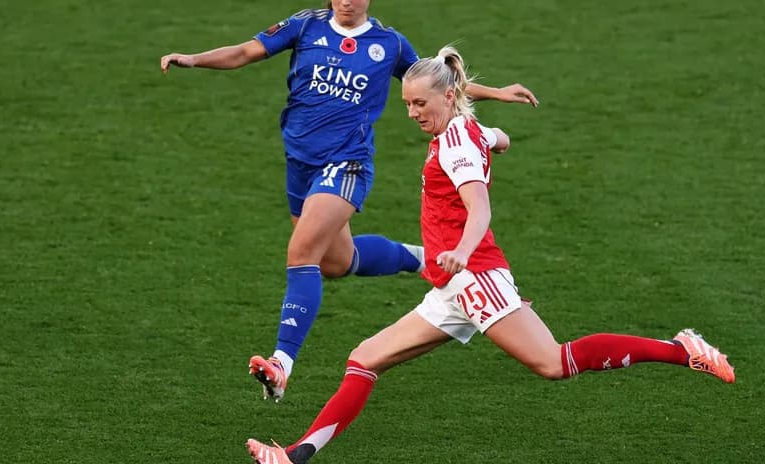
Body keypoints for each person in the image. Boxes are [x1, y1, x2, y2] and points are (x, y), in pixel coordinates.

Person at [244, 45, 735, 464]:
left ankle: (682, 349)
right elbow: (502, 138)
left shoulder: (455, 142)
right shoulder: (465, 129)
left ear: (448, 96)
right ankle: (293, 456)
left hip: (473, 275)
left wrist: (460, 249)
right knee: (364, 359)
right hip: (451, 286)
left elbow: (479, 205)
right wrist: (496, 133)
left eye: (420, 104)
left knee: (553, 362)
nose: (412, 113)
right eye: (408, 105)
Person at [159, 0, 539, 402]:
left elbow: (438, 82)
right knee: (335, 263)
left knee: (302, 252)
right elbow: (246, 51)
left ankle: (281, 364)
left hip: (347, 163)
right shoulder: (305, 26)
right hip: (300, 164)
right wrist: (194, 59)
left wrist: (496, 93)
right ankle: (422, 257)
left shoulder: (388, 43)